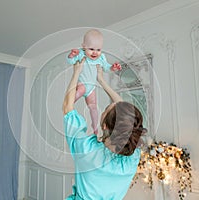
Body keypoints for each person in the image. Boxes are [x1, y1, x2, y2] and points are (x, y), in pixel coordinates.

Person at [62, 58, 146, 200]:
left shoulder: (87, 149)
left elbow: (67, 108)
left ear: (105, 125)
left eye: (107, 109)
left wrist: (76, 72)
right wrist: (100, 80)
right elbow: (123, 113)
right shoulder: (132, 158)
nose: (114, 103)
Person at [67, 29, 121, 135]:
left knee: (93, 107)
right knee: (76, 96)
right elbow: (71, 62)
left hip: (91, 88)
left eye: (98, 49)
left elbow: (106, 67)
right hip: (82, 84)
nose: (95, 52)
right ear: (83, 46)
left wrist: (112, 68)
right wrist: (72, 56)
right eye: (91, 49)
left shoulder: (101, 58)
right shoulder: (81, 54)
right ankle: (69, 107)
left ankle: (95, 126)